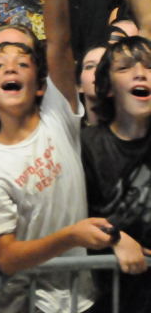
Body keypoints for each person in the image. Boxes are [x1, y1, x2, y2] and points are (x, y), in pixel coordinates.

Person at [0, 0, 107, 312]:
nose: (11, 67)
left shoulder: (57, 116)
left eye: (22, 63)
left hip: (83, 298)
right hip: (29, 304)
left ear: (40, 85)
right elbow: (5, 256)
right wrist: (71, 236)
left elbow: (59, 42)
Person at [81, 35, 151, 311]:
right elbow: (73, 215)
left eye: (149, 66)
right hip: (110, 297)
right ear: (108, 88)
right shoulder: (88, 146)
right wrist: (116, 238)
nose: (140, 73)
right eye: (124, 68)